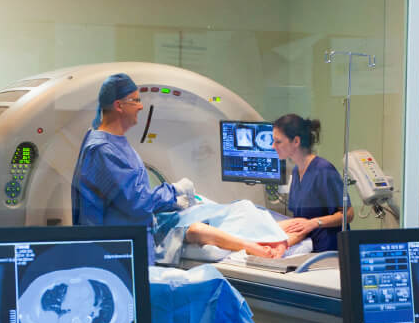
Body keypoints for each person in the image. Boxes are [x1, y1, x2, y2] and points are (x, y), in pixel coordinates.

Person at [71, 73, 282, 258]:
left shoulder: (112, 143)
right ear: (118, 105)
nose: (141, 106)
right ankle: (268, 240)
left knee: (247, 212)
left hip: (130, 239)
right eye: (135, 100)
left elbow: (133, 196)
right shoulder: (103, 149)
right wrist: (174, 193)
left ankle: (283, 234)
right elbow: (137, 202)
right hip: (118, 248)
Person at [270, 113, 349, 253]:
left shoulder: (323, 170)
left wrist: (314, 223)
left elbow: (348, 214)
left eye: (278, 141)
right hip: (308, 247)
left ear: (296, 141)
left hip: (329, 252)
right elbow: (300, 222)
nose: (273, 146)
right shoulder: (296, 171)